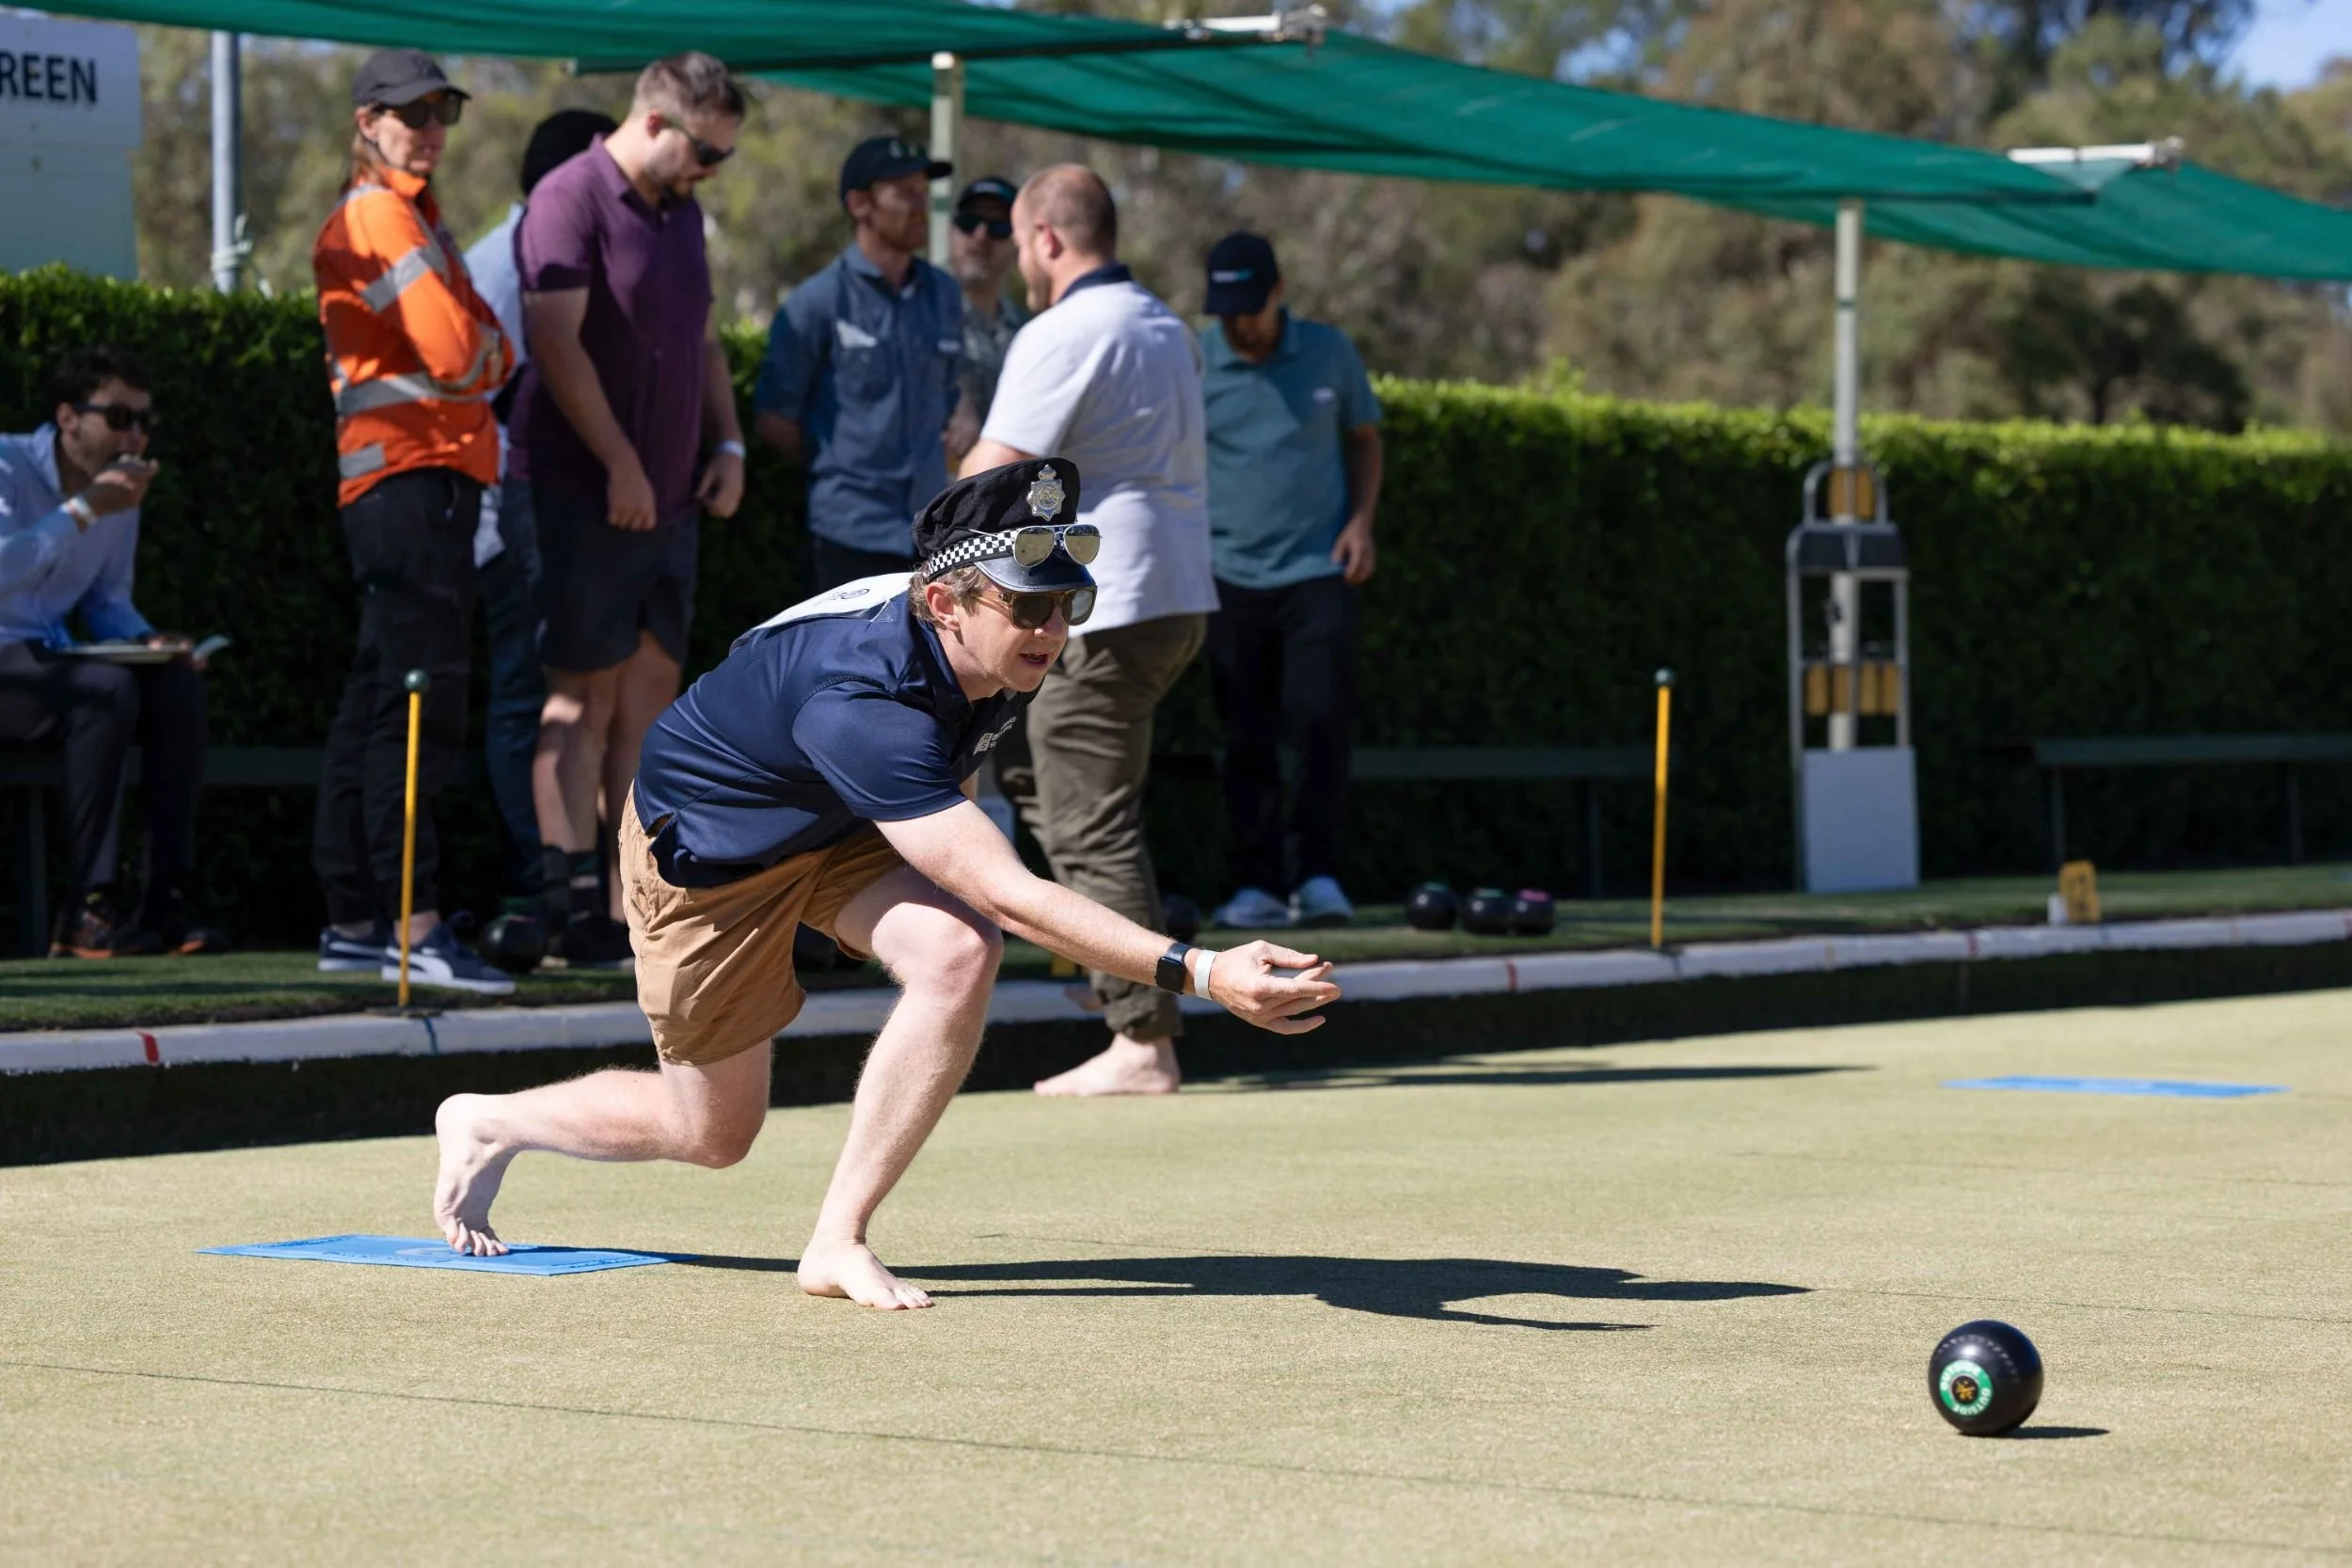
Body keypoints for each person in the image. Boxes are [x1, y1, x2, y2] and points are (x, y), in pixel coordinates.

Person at [428, 459, 1339, 1308]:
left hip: (836, 815)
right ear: (944, 600)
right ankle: (489, 1119)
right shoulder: (864, 700)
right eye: (1030, 609)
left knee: (956, 949)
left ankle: (836, 1238)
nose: (1053, 631)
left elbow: (956, 810)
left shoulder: (992, 653)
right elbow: (1009, 890)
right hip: (710, 856)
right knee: (710, 1133)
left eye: (1067, 604)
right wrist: (1207, 973)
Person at [961, 165, 1218, 1099]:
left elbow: (989, 474)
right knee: (1035, 766)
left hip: (1112, 605)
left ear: (1047, 240)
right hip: (1175, 595)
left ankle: (1142, 1037)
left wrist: (918, 563)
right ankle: (1110, 971)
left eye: (1020, 241)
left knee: (1087, 813)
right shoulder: (1164, 325)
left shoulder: (1067, 328)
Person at [513, 53, 748, 968]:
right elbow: (552, 342)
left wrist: (724, 446)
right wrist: (618, 462)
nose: (710, 171)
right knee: (580, 697)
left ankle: (632, 903)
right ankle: (566, 900)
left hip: (671, 500)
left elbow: (702, 340)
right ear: (654, 121)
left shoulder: (681, 214)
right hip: (579, 492)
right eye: (705, 152)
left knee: (650, 698)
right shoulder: (569, 198)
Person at [310, 48, 514, 994]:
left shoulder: (413, 216)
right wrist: (479, 359)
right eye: (409, 111)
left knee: (377, 697)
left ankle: (358, 917)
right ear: (367, 121)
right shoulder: (381, 215)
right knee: (416, 703)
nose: (427, 126)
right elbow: (460, 353)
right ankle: (413, 923)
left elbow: (487, 347)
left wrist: (479, 356)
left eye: (441, 110)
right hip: (409, 484)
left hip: (411, 486)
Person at [0, 346, 229, 958]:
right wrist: (82, 510)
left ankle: (167, 901)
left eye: (145, 421)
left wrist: (149, 640)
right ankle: (85, 906)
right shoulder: (6, 462)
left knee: (177, 687)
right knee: (103, 689)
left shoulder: (117, 494)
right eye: (120, 417)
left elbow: (106, 600)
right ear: (68, 416)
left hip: (48, 662)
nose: (135, 435)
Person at [1197, 232, 1384, 930]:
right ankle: (1257, 882)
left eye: (1249, 306)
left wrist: (1361, 523)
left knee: (1320, 721)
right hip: (1225, 576)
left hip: (1317, 569)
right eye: (1225, 310)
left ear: (1279, 292)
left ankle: (1318, 876)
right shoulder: (1195, 358)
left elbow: (1365, 438)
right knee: (1244, 733)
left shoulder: (1330, 350)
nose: (1238, 322)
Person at [463, 108, 619, 930]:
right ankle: (542, 886)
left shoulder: (560, 251)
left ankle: (569, 889)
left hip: (571, 521)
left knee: (575, 703)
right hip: (512, 520)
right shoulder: (504, 264)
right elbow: (482, 399)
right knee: (531, 701)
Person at [754, 135, 964, 592]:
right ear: (859, 204)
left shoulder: (945, 295)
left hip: (936, 535)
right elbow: (774, 419)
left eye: (924, 193)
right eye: (905, 193)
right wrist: (843, 465)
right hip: (848, 535)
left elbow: (948, 397)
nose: (921, 205)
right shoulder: (816, 302)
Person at [948, 175, 1026, 425]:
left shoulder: (1029, 333)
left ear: (1018, 242)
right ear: (951, 231)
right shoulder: (919, 315)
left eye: (998, 227)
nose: (981, 236)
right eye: (969, 222)